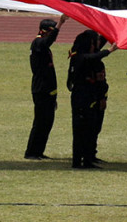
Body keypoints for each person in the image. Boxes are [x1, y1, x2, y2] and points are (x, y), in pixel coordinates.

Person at [67, 29, 118, 169]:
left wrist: (107, 31)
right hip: (82, 99)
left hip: (89, 98)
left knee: (90, 130)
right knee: (80, 131)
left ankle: (87, 158)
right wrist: (109, 51)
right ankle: (79, 161)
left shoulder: (88, 57)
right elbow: (90, 57)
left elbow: (95, 52)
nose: (95, 44)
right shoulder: (79, 58)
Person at [25, 14, 67, 160]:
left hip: (48, 90)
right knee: (40, 122)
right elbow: (49, 41)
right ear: (44, 31)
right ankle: (31, 152)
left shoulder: (41, 44)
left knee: (47, 122)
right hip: (41, 89)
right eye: (51, 30)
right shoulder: (38, 43)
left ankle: (38, 151)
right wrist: (60, 24)